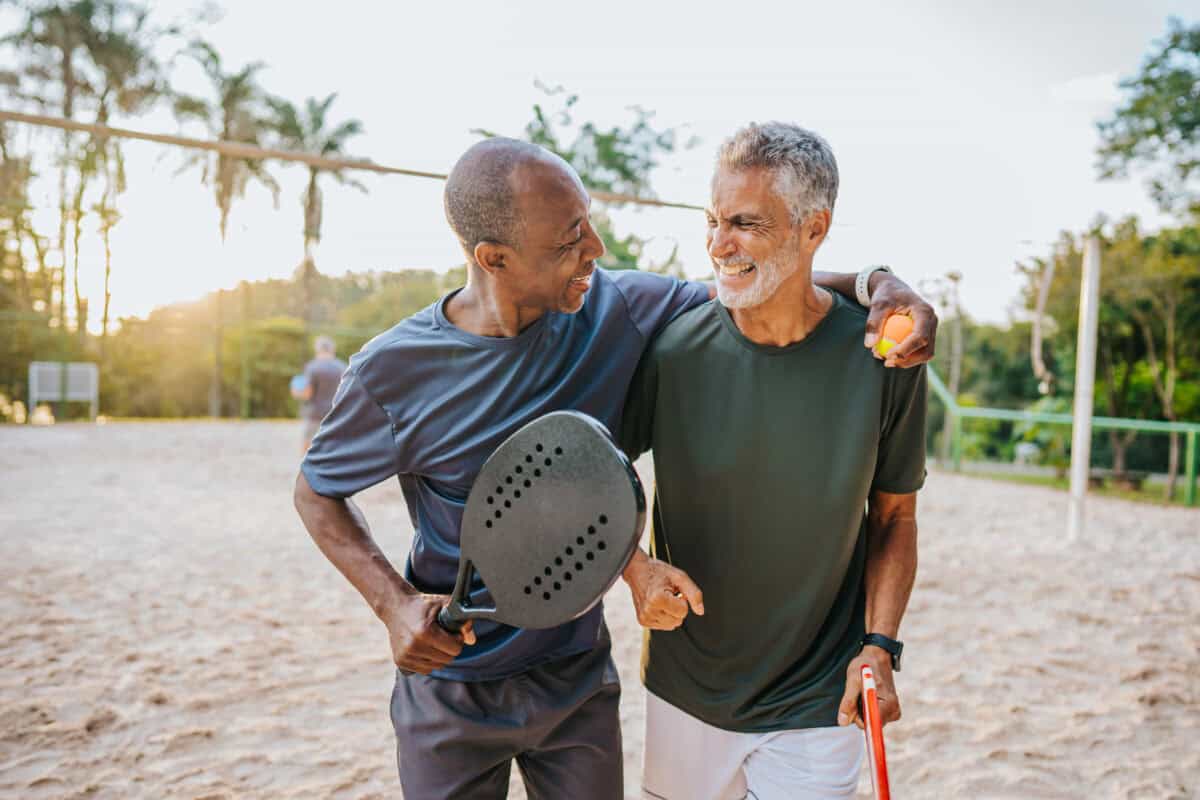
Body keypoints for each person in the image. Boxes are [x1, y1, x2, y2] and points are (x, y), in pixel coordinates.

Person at [292, 136, 935, 799]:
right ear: (495, 259)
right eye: (570, 240)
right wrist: (392, 605)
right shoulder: (395, 369)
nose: (595, 249)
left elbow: (759, 282)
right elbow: (316, 492)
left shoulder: (617, 308)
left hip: (575, 675)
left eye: (588, 222)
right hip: (451, 683)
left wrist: (881, 285)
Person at [620, 122, 926, 800]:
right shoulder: (672, 349)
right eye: (713, 220)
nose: (718, 245)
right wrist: (634, 569)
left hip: (821, 694)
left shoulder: (885, 357)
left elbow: (895, 518)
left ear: (812, 229)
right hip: (686, 687)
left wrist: (881, 644)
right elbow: (597, 472)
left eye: (746, 224)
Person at [291, 335, 347, 453]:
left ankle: (306, 469)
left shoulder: (312, 367)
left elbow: (307, 394)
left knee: (307, 444)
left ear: (318, 349)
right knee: (334, 447)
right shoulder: (342, 367)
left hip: (314, 414)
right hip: (335, 413)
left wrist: (296, 393)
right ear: (332, 349)